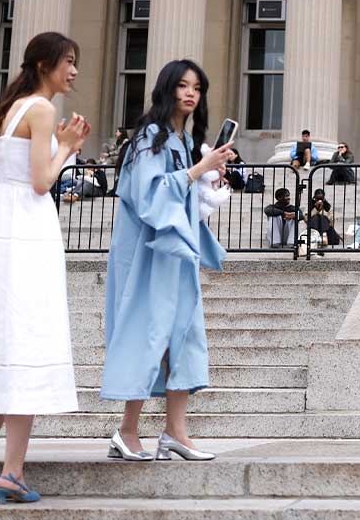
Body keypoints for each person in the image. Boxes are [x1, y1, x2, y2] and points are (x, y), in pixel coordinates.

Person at [0, 31, 90, 503]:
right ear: (44, 63)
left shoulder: (10, 108)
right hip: (27, 231)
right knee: (28, 341)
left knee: (3, 343)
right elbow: (42, 181)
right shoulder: (42, 109)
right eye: (68, 61)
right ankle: (12, 470)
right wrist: (68, 146)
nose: (73, 70)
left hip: (2, 229)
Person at [100, 59, 234, 464]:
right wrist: (198, 170)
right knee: (150, 334)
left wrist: (207, 178)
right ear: (167, 89)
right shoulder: (150, 137)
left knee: (184, 337)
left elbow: (181, 198)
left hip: (176, 254)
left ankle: (176, 432)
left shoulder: (180, 141)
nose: (191, 93)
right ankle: (126, 431)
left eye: (197, 87)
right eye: (182, 85)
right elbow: (148, 196)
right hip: (148, 255)